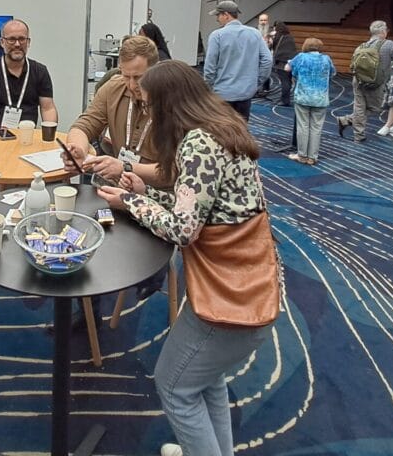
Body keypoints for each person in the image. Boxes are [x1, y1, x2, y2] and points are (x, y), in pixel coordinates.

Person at [95, 61, 273, 456]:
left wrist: (131, 202)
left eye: (151, 105)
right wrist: (142, 194)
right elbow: (197, 209)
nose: (150, 114)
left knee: (174, 386)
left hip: (227, 299)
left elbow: (182, 230)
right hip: (251, 280)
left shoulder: (197, 145)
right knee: (206, 381)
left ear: (168, 104)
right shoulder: (224, 129)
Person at [65, 36, 166, 306]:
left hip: (158, 196)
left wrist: (128, 166)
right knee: (81, 233)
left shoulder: (172, 101)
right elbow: (84, 125)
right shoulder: (114, 87)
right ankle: (88, 311)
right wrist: (78, 149)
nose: (132, 85)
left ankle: (155, 271)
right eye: (126, 76)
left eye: (139, 78)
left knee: (136, 253)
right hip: (119, 188)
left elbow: (175, 172)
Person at [0, 19, 58, 132]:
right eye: (11, 39)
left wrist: (48, 137)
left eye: (22, 39)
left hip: (27, 139)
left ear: (28, 42)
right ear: (2, 42)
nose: (17, 44)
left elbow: (48, 108)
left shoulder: (40, 71)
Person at [203, 0, 272, 120]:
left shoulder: (217, 35)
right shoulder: (255, 33)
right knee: (241, 132)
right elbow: (267, 60)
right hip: (245, 93)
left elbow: (210, 66)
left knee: (221, 131)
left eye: (218, 15)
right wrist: (256, 83)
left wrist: (209, 87)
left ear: (226, 15)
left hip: (222, 93)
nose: (217, 19)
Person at [336, 20, 393, 143]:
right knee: (377, 108)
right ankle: (347, 121)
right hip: (376, 82)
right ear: (383, 32)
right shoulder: (389, 44)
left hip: (358, 80)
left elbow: (352, 65)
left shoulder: (362, 46)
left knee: (359, 107)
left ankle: (357, 134)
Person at [286, 37, 336, 164]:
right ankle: (312, 157)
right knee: (316, 128)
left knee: (303, 126)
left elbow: (289, 69)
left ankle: (302, 155)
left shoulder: (301, 57)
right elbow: (333, 73)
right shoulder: (326, 59)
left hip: (303, 97)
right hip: (320, 98)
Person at [270, 21, 297, 106]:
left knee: (285, 82)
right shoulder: (290, 37)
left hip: (281, 62)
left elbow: (273, 46)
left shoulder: (277, 36)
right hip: (291, 61)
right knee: (288, 81)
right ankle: (285, 98)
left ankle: (285, 101)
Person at [256, 13, 273, 97]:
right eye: (261, 20)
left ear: (267, 21)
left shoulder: (272, 31)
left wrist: (270, 42)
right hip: (256, 55)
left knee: (267, 72)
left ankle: (266, 89)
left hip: (268, 54)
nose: (263, 22)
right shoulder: (254, 31)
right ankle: (256, 89)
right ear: (258, 21)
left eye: (265, 20)